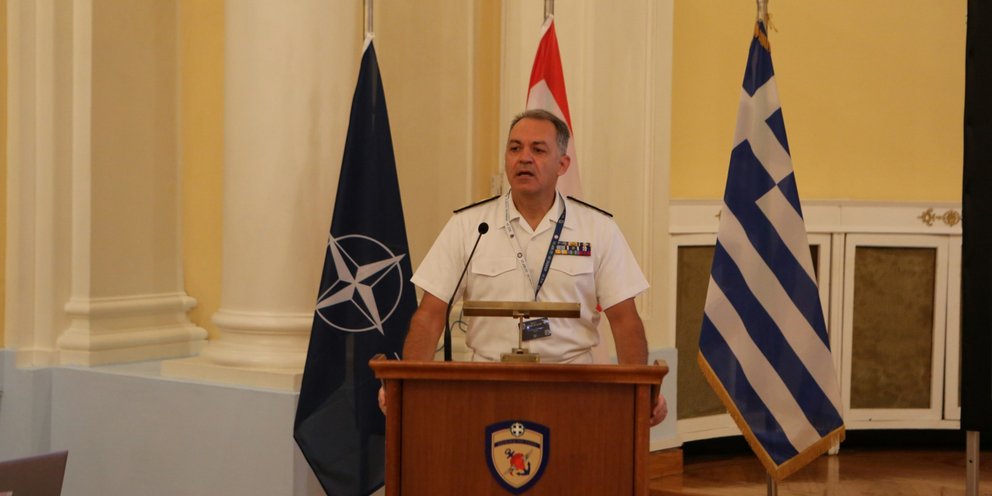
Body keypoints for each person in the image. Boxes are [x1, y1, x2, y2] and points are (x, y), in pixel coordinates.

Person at [391, 109, 667, 425]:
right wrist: (407, 387)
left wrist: (640, 392)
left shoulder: (597, 229)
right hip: (485, 387)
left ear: (563, 164)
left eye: (538, 149)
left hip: (573, 389)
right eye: (515, 148)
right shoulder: (469, 226)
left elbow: (625, 320)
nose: (524, 158)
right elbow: (430, 315)